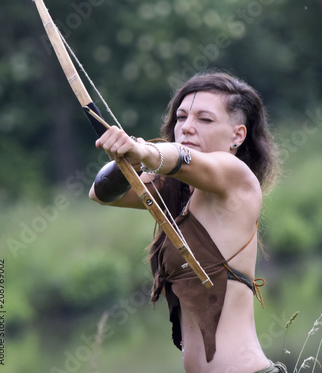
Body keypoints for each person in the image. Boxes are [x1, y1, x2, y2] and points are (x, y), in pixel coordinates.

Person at [89, 71, 287, 373]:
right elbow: (101, 193)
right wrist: (123, 160)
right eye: (181, 117)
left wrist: (144, 151)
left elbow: (180, 157)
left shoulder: (236, 176)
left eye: (205, 120)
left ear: (237, 135)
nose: (187, 128)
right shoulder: (175, 190)